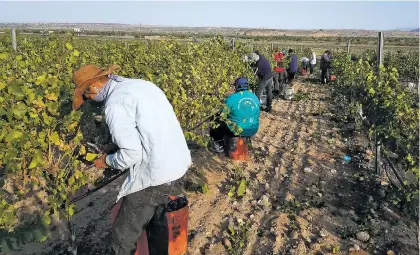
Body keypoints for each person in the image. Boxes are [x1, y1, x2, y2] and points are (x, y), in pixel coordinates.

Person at [71, 64, 192, 255]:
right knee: (159, 227)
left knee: (122, 238)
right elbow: (148, 128)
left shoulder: (115, 104)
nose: (89, 100)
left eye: (87, 96)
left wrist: (107, 161)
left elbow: (132, 154)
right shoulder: (141, 86)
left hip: (155, 175)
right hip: (177, 165)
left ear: (93, 88)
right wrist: (115, 146)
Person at [210, 77, 260, 153]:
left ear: (236, 86)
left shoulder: (232, 98)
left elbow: (223, 115)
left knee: (215, 120)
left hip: (235, 130)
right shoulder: (255, 97)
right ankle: (246, 140)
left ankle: (219, 146)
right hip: (253, 129)